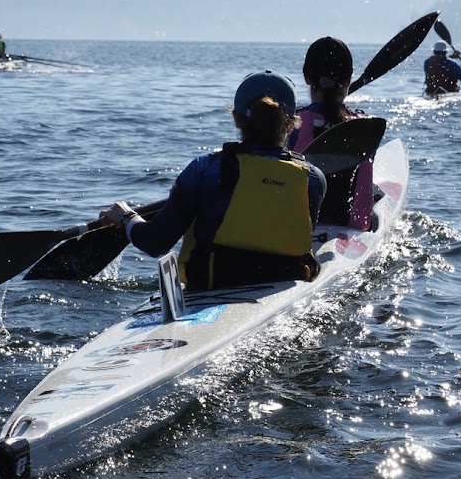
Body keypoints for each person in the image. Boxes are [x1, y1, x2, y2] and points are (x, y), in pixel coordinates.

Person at [99, 70, 327, 291]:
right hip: (283, 294)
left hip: (211, 287)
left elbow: (155, 242)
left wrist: (126, 217)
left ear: (237, 118)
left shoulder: (205, 169)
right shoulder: (313, 179)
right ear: (292, 122)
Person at [287, 36, 376, 231]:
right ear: (348, 80)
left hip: (297, 230)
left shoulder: (292, 124)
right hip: (352, 230)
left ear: (307, 78)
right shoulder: (364, 127)